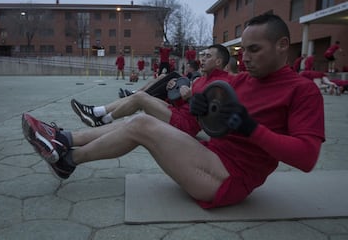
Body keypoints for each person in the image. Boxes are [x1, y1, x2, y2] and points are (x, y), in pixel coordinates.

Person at [22, 14, 325, 209]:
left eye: (253, 50)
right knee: (137, 120)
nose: (245, 58)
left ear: (283, 45)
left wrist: (252, 129)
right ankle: (65, 139)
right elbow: (212, 123)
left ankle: (67, 159)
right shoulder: (241, 80)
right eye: (242, 51)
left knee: (142, 122)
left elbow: (307, 158)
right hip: (210, 156)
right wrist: (201, 109)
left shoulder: (303, 91)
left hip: (228, 179)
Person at [70, 44, 231, 130]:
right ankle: (100, 115)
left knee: (140, 100)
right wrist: (179, 95)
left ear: (218, 62)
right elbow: (185, 106)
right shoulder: (201, 80)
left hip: (185, 124)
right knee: (149, 91)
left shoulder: (222, 85)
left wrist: (189, 98)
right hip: (177, 112)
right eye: (202, 56)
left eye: (207, 56)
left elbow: (209, 117)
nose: (202, 59)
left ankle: (101, 116)